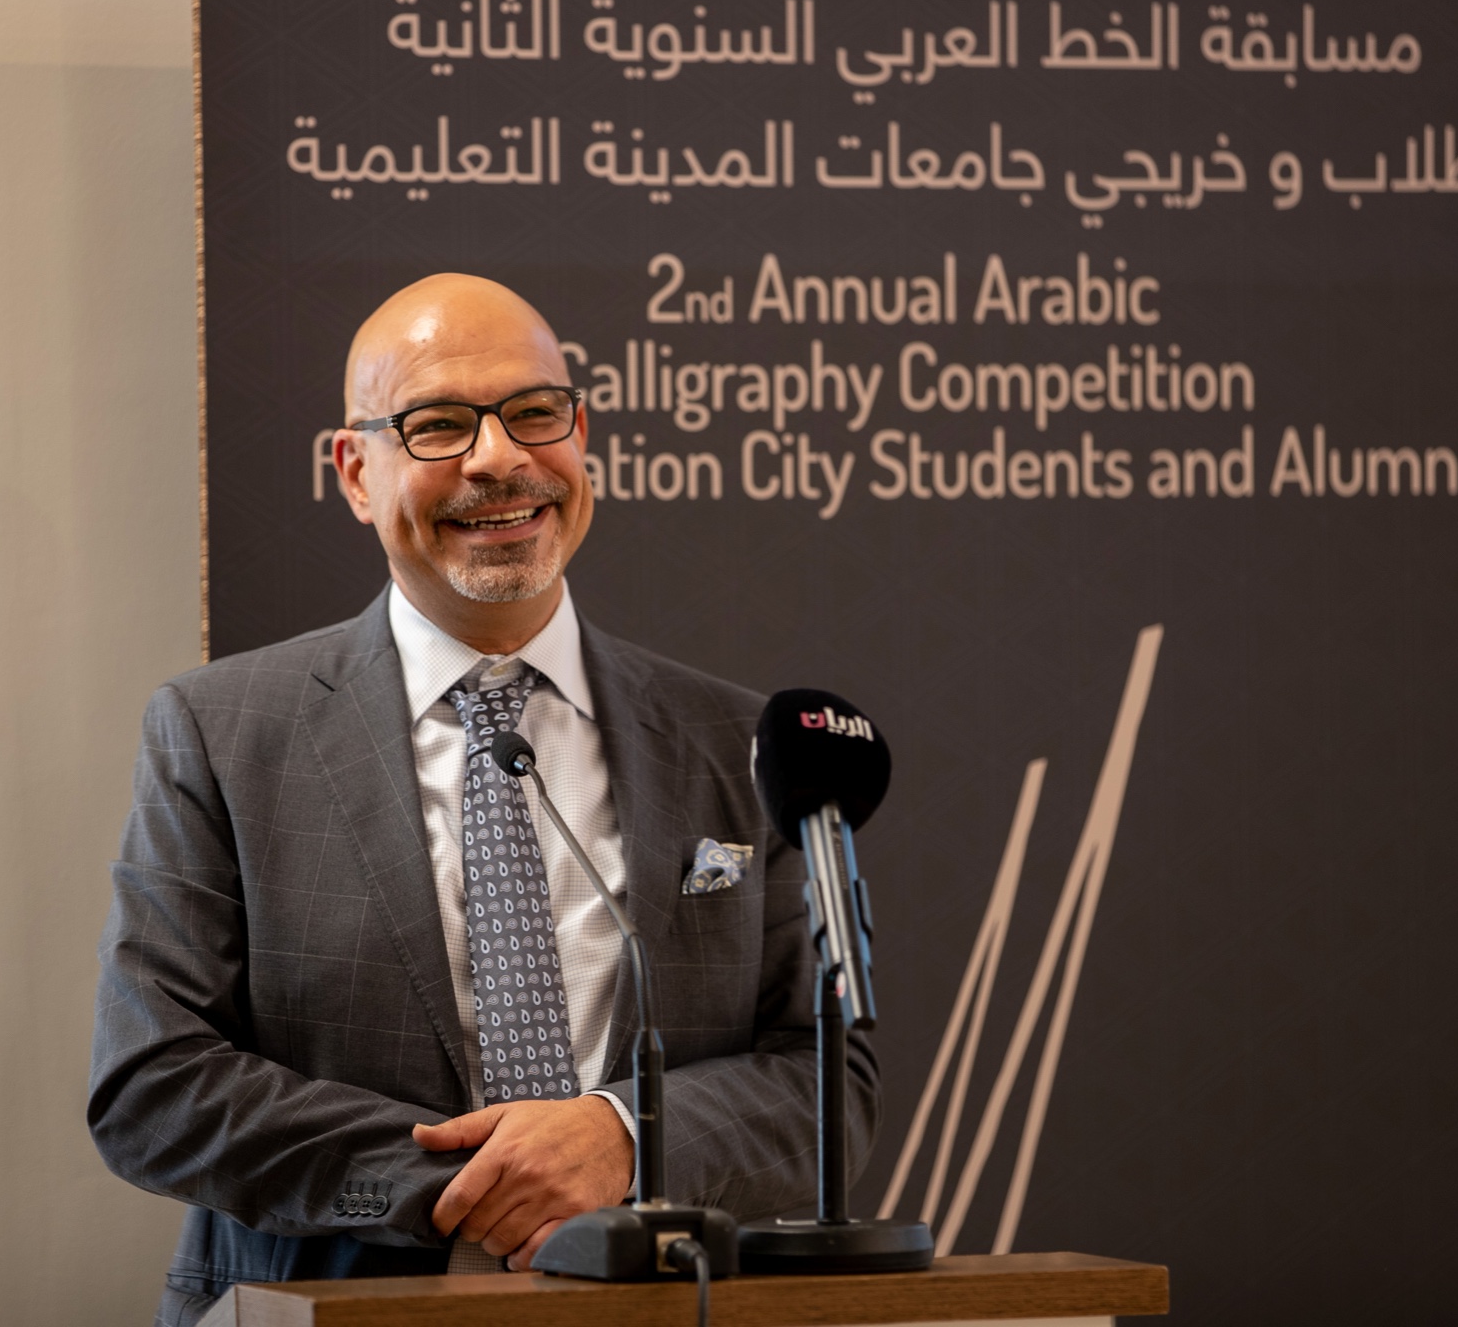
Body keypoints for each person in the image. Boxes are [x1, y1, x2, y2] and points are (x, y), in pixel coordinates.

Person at [88, 274, 879, 1326]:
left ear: (580, 433)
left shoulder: (733, 742)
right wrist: (481, 1185)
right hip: (328, 1304)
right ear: (355, 471)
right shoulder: (222, 730)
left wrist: (619, 1134)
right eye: (437, 425)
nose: (499, 457)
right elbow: (154, 1082)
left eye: (533, 413)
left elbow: (825, 1078)